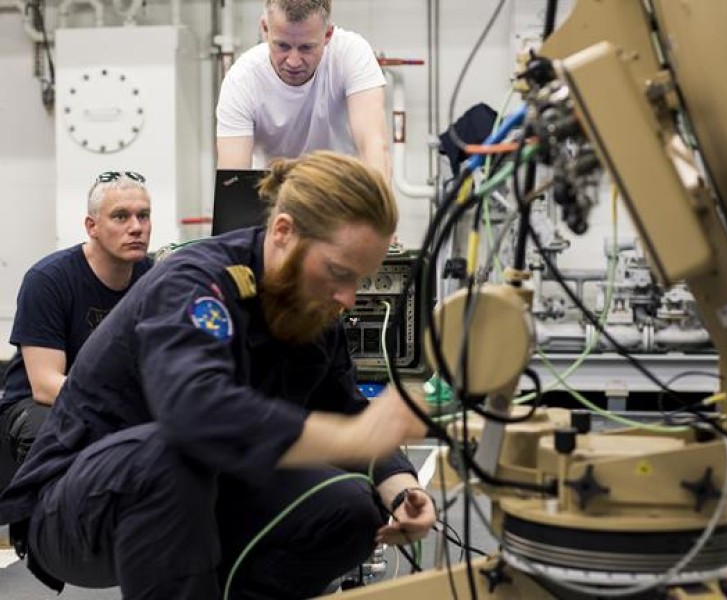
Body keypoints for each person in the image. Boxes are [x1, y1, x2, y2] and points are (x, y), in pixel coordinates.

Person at [0, 151, 433, 599]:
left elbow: (344, 409)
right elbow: (197, 413)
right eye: (338, 273)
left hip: (206, 489)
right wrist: (350, 439)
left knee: (348, 511)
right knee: (176, 450)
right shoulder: (194, 280)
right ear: (283, 232)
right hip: (77, 505)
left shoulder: (314, 306)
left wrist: (401, 489)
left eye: (360, 280)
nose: (347, 297)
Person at [0, 171, 153, 489]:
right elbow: (45, 385)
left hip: (115, 399)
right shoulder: (49, 279)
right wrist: (122, 406)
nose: (136, 227)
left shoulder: (155, 277)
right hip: (37, 404)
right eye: (121, 216)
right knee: (57, 431)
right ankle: (36, 536)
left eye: (144, 215)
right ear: (91, 227)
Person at [216, 0, 391, 181]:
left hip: (342, 194)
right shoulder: (242, 80)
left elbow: (374, 147)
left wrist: (377, 207)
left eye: (306, 48)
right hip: (274, 194)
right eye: (282, 46)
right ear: (265, 28)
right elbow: (232, 178)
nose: (293, 61)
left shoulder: (351, 55)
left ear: (328, 34)